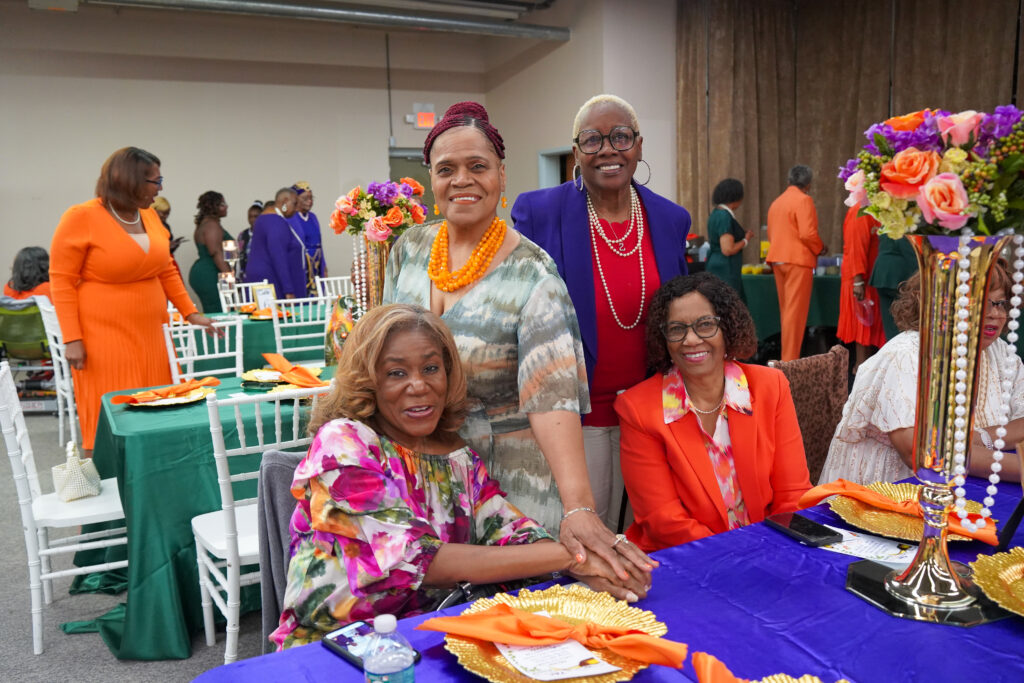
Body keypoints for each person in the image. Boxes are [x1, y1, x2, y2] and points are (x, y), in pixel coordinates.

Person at [270, 304, 650, 650]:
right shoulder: (344, 442)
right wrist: (575, 556)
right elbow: (420, 560)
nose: (419, 385)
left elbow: (511, 531)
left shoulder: (456, 455)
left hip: (429, 635)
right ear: (368, 380)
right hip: (334, 648)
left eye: (431, 368)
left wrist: (598, 558)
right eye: (396, 372)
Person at [384, 101, 654, 581]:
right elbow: (382, 355)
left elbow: (553, 400)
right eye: (446, 169)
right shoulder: (410, 249)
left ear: (502, 175)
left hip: (509, 483)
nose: (462, 180)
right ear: (431, 179)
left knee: (510, 612)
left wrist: (579, 507)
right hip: (420, 472)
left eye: (478, 166)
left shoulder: (534, 274)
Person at [513, 94, 690, 529]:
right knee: (588, 534)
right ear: (576, 152)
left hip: (651, 411)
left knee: (648, 530)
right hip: (578, 415)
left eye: (621, 137)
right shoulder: (539, 213)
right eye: (592, 140)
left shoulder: (669, 219)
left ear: (639, 146)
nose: (608, 149)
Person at [615, 273, 812, 552]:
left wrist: (774, 553)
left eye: (705, 325)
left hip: (768, 548)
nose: (691, 339)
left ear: (727, 328)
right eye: (677, 329)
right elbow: (663, 521)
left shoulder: (771, 387)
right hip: (685, 557)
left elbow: (793, 495)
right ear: (664, 338)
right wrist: (738, 555)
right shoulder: (638, 409)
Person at [49, 147, 216, 454]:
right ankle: (107, 468)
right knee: (110, 407)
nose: (160, 188)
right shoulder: (81, 217)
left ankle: (154, 464)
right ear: (129, 181)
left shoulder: (149, 216)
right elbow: (61, 281)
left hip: (152, 332)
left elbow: (166, 269)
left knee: (157, 403)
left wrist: (190, 313)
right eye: (155, 181)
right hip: (103, 335)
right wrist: (72, 338)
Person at [820, 266, 1024, 485]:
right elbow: (919, 452)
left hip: (964, 483)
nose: (995, 314)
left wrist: (981, 437)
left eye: (1001, 303)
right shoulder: (906, 354)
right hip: (888, 493)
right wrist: (1018, 467)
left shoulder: (1000, 353)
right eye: (982, 304)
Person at [766, 165, 825, 361]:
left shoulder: (776, 202)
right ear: (808, 184)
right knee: (795, 315)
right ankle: (789, 362)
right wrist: (820, 248)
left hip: (778, 259)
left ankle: (786, 359)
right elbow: (807, 234)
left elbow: (772, 233)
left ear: (789, 181)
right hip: (797, 261)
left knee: (786, 313)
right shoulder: (804, 200)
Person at [836, 205, 885, 370]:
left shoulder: (874, 208)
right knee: (862, 328)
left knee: (869, 331)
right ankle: (860, 371)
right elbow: (856, 247)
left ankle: (868, 371)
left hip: (870, 277)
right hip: (860, 279)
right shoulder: (861, 210)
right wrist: (858, 280)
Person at [245, 187, 307, 299]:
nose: (296, 209)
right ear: (285, 202)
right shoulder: (276, 222)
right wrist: (288, 290)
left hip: (261, 278)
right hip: (271, 281)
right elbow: (279, 256)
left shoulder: (263, 219)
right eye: (294, 204)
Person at [705, 178, 752, 299]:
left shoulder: (715, 213)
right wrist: (746, 240)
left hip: (714, 263)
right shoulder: (724, 216)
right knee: (730, 302)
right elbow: (728, 249)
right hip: (726, 268)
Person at [187, 191, 234, 313]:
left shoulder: (206, 223)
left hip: (206, 272)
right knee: (221, 311)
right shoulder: (212, 225)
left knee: (216, 311)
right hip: (211, 273)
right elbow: (216, 252)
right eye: (222, 204)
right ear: (213, 207)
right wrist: (229, 277)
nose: (226, 206)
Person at [870, 233, 918, 341]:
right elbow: (909, 252)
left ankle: (892, 346)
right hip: (898, 275)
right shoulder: (904, 226)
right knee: (903, 322)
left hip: (882, 274)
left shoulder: (888, 223)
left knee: (889, 323)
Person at [287, 181, 326, 295]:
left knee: (318, 295)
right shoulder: (290, 218)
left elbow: (320, 244)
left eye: (311, 198)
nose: (310, 201)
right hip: (301, 265)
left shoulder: (313, 217)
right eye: (305, 198)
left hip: (316, 265)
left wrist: (324, 266)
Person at [236, 200, 263, 281]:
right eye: (250, 216)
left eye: (256, 216)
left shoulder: (265, 234)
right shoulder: (242, 235)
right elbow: (238, 255)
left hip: (261, 274)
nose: (252, 219)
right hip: (245, 275)